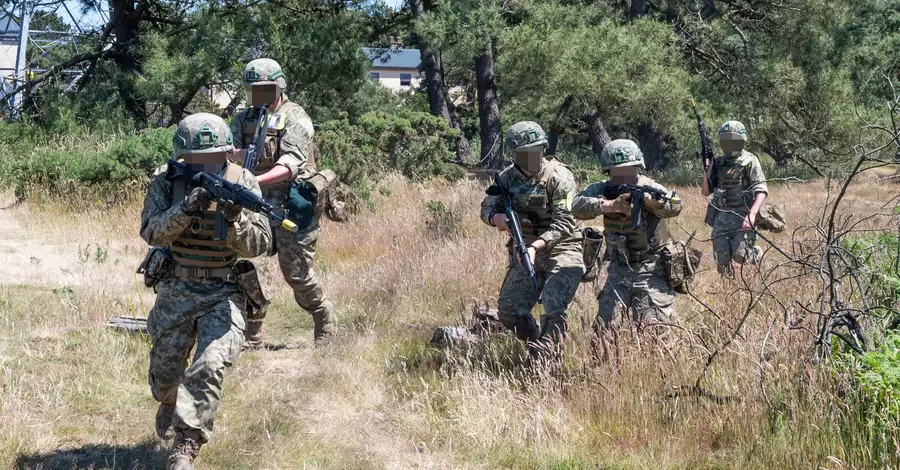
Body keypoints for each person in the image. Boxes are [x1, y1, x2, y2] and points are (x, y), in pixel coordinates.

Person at [140, 113, 272, 470]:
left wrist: (235, 219)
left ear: (228, 152)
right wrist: (187, 206)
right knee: (165, 378)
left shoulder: (243, 181)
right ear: (184, 158)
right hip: (178, 286)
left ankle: (186, 444)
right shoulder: (167, 181)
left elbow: (260, 244)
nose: (208, 165)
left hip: (224, 289)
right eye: (198, 161)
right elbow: (152, 233)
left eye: (215, 158)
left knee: (211, 363)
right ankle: (169, 402)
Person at [230, 58, 336, 347]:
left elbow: (289, 164)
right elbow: (232, 153)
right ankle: (253, 335)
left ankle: (322, 317)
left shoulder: (295, 116)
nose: (258, 95)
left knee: (297, 273)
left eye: (263, 88)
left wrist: (254, 180)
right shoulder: (243, 118)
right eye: (253, 89)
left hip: (291, 204)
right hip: (254, 206)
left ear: (278, 87)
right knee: (249, 268)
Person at [480, 121, 584, 354]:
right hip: (524, 250)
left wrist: (536, 246)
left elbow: (565, 222)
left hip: (563, 248)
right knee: (509, 312)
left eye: (536, 151)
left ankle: (547, 361)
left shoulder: (560, 176)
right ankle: (536, 341)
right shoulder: (505, 179)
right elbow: (485, 210)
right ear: (514, 155)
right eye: (525, 154)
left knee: (552, 306)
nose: (531, 158)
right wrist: (497, 219)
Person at [572, 139, 682, 330]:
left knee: (654, 331)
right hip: (618, 268)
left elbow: (675, 206)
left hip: (651, 269)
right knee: (604, 331)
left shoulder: (649, 186)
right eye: (618, 171)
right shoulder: (603, 189)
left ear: (637, 168)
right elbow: (575, 206)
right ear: (608, 171)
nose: (624, 176)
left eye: (629, 170)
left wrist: (655, 203)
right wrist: (610, 205)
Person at [701, 121, 768, 276]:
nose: (729, 144)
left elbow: (761, 189)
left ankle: (756, 253)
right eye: (725, 140)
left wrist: (752, 214)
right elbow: (705, 191)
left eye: (733, 140)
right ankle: (729, 291)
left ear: (741, 141)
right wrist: (707, 169)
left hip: (742, 215)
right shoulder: (718, 162)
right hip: (721, 218)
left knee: (741, 256)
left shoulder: (750, 161)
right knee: (721, 261)